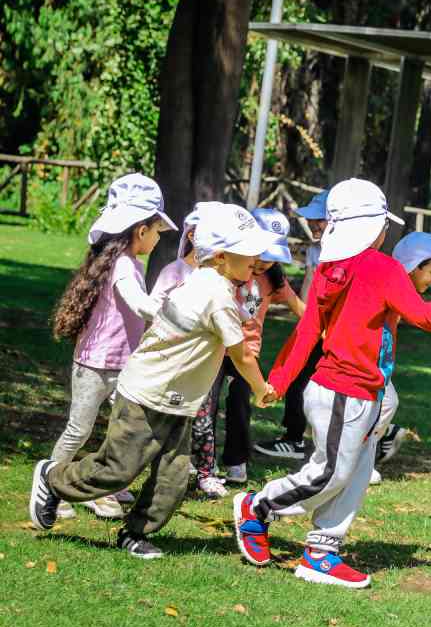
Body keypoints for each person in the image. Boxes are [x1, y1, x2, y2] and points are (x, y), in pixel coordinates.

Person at [233, 179, 431, 589]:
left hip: (363, 392)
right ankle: (257, 506)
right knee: (329, 474)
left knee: (356, 474)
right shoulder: (382, 268)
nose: (385, 231)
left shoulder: (330, 266)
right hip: (344, 392)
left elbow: (307, 330)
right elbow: (427, 318)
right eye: (383, 224)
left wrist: (280, 380)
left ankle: (322, 553)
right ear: (374, 226)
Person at [29, 204, 278, 558]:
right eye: (248, 252)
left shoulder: (208, 282)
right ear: (221, 256)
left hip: (178, 400)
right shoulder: (216, 296)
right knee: (117, 469)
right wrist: (261, 389)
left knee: (172, 478)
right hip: (147, 396)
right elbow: (241, 355)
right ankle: (53, 480)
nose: (256, 258)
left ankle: (134, 533)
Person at [47, 173, 177, 521]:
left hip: (123, 364)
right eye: (155, 231)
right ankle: (51, 487)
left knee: (119, 430)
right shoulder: (122, 264)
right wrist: (170, 314)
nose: (156, 239)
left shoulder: (129, 261)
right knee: (79, 429)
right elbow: (138, 304)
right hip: (96, 365)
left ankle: (103, 485)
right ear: (141, 230)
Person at [220, 208, 305, 485]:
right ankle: (201, 463)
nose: (262, 264)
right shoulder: (227, 268)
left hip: (247, 353)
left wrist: (327, 329)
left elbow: (300, 309)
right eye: (260, 256)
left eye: (270, 259)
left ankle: (236, 461)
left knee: (240, 404)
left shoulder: (273, 280)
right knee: (204, 406)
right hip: (216, 346)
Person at [371, 232, 431, 480]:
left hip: (379, 365)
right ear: (413, 266)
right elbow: (424, 318)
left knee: (385, 403)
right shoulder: (393, 285)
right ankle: (354, 458)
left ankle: (361, 455)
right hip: (365, 364)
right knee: (385, 402)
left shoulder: (401, 287)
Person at [150, 201, 227, 499]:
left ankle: (206, 472)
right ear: (193, 236)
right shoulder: (175, 272)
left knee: (203, 418)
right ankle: (165, 473)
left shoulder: (219, 277)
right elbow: (155, 308)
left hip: (203, 361)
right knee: (170, 417)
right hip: (173, 360)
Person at [254, 189, 327, 461]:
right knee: (298, 380)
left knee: (311, 383)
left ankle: (297, 440)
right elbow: (307, 290)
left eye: (320, 219)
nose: (313, 224)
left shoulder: (343, 253)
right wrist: (307, 321)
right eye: (311, 219)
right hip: (314, 325)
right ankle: (294, 438)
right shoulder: (315, 250)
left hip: (331, 329)